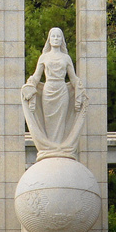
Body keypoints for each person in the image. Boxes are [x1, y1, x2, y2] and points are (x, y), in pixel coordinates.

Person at [20, 27, 87, 158]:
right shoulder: (43, 57)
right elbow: (36, 77)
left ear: (62, 40)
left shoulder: (66, 58)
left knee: (61, 122)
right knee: (49, 121)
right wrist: (29, 86)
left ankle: (59, 148)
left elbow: (73, 78)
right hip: (48, 91)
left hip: (62, 91)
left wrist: (79, 89)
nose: (56, 39)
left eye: (58, 36)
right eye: (53, 36)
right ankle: (50, 148)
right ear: (49, 40)